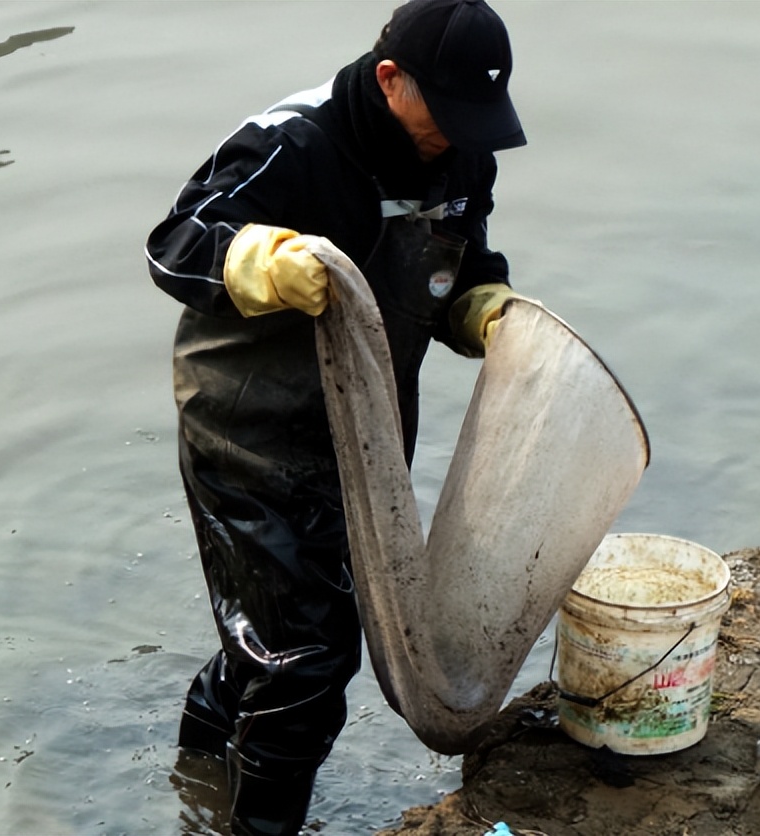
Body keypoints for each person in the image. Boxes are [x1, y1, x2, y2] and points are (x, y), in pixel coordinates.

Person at [144, 1, 528, 833]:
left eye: (478, 120)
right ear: (392, 80)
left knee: (282, 637)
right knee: (309, 665)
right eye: (450, 115)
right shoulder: (293, 142)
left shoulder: (463, 157)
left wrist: (486, 309)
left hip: (364, 442)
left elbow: (466, 262)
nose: (463, 140)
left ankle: (197, 777)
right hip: (247, 433)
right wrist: (261, 260)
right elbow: (175, 242)